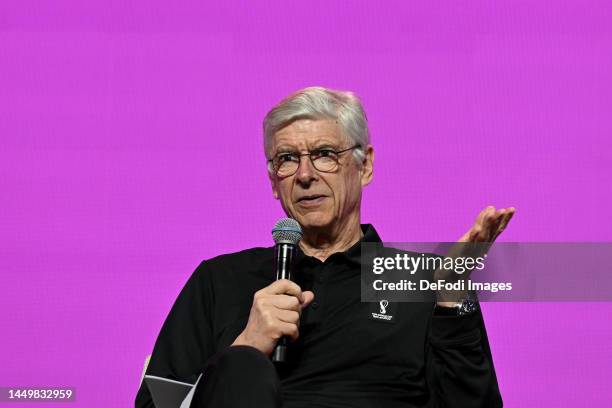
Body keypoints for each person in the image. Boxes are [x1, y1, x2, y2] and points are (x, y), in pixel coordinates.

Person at [135, 86, 515, 408]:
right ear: (273, 182)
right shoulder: (218, 280)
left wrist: (452, 299)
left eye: (324, 155)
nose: (304, 175)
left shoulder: (422, 283)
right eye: (287, 159)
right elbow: (155, 404)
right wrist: (246, 344)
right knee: (243, 367)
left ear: (364, 166)